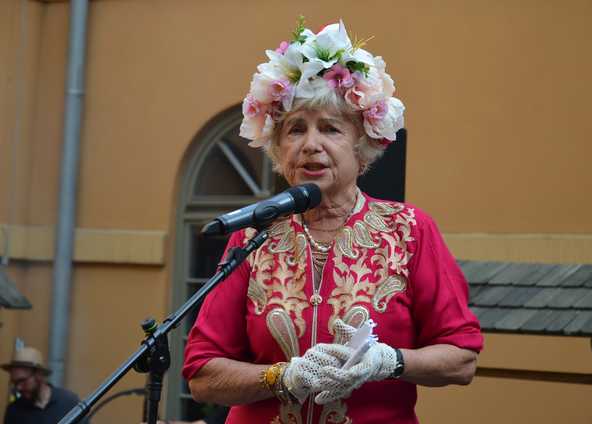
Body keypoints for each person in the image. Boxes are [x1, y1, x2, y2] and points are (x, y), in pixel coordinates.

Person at [183, 17, 483, 423]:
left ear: (362, 148)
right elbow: (202, 374)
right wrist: (281, 376)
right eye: (294, 130)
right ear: (278, 149)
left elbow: (461, 359)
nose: (310, 145)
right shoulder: (253, 236)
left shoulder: (410, 230)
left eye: (330, 129)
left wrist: (389, 361)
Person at [1, 346, 89, 424]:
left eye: (23, 380)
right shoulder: (14, 411)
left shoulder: (69, 401)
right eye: (15, 382)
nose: (18, 387)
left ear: (39, 374)